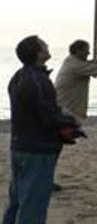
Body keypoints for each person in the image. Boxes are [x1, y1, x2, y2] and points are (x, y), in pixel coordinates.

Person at [4, 35, 82, 224]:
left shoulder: (18, 76)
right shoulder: (39, 80)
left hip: (19, 146)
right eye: (43, 44)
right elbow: (48, 116)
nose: (47, 45)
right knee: (33, 205)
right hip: (37, 150)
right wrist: (71, 123)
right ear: (38, 53)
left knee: (16, 201)